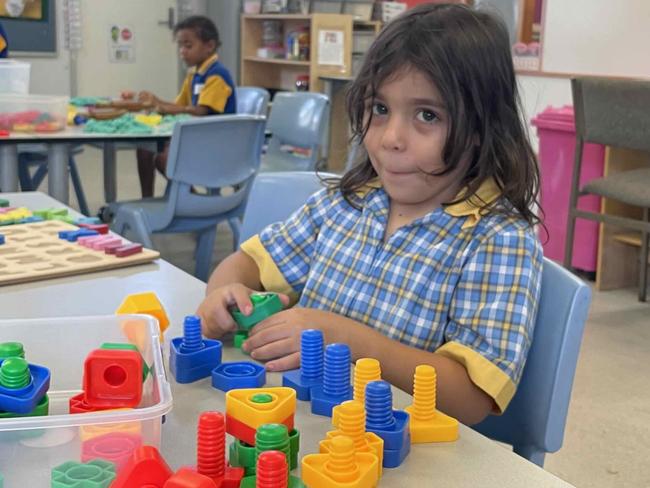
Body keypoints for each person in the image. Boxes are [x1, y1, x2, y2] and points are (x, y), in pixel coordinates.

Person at [197, 4, 543, 425]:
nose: (390, 139)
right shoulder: (348, 202)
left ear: (480, 127)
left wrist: (344, 339)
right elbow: (248, 262)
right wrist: (224, 291)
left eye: (427, 115)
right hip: (306, 424)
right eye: (380, 109)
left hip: (394, 449)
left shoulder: (496, 237)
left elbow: (470, 398)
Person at [136, 15, 236, 197]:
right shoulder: (193, 74)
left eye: (188, 46)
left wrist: (163, 107)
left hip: (215, 145)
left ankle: (194, 199)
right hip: (195, 139)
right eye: (180, 46)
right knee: (144, 148)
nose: (182, 51)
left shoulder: (217, 75)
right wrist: (156, 101)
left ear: (209, 46)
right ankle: (147, 200)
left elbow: (200, 111)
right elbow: (179, 106)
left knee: (164, 158)